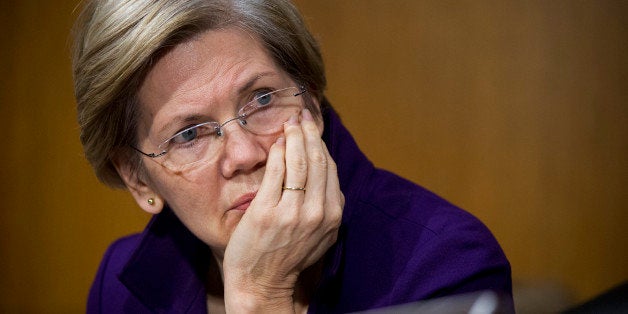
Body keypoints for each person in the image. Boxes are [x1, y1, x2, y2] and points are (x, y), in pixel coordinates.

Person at [72, 0, 513, 313]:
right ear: (137, 178)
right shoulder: (118, 287)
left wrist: (261, 296)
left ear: (313, 100)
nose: (244, 154)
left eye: (262, 99)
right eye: (189, 133)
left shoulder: (446, 263)